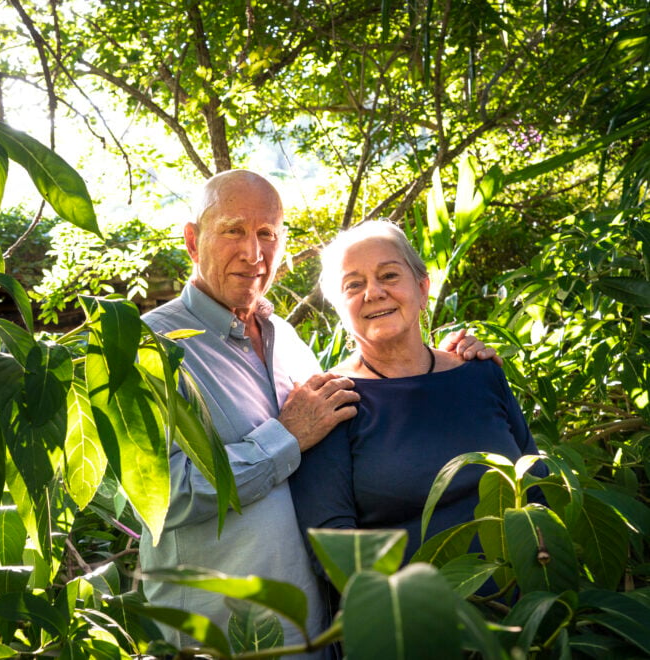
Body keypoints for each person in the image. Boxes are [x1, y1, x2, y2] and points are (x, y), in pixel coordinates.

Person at [140, 171, 496, 656]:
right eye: (233, 230)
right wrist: (284, 437)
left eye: (267, 233)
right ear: (192, 241)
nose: (254, 252)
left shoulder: (284, 337)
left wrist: (450, 360)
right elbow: (159, 499)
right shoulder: (148, 348)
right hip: (224, 636)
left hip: (317, 631)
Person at [290, 219, 548, 569]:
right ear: (338, 308)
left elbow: (537, 482)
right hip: (411, 611)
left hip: (527, 598)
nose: (374, 292)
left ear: (423, 288)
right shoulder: (333, 400)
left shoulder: (480, 371)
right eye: (353, 285)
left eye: (389, 276)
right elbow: (332, 541)